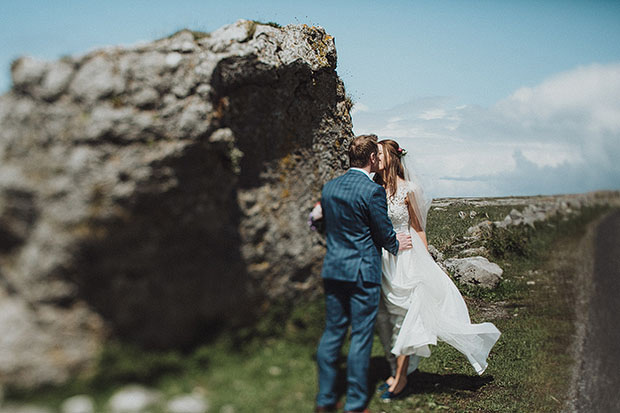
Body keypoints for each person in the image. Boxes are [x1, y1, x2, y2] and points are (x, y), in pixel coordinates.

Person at [374, 139, 501, 399]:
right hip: (385, 258)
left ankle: (400, 380)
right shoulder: (374, 188)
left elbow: (419, 228)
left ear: (392, 158)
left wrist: (427, 262)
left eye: (379, 154)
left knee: (406, 317)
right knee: (386, 318)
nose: (374, 158)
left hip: (408, 258)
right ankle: (398, 370)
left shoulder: (408, 189)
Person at [315, 134, 413, 413]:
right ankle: (356, 404)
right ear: (372, 158)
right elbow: (383, 232)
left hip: (334, 268)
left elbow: (328, 226)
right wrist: (396, 243)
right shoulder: (372, 191)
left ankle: (325, 400)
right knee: (360, 336)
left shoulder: (330, 188)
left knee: (332, 333)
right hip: (362, 273)